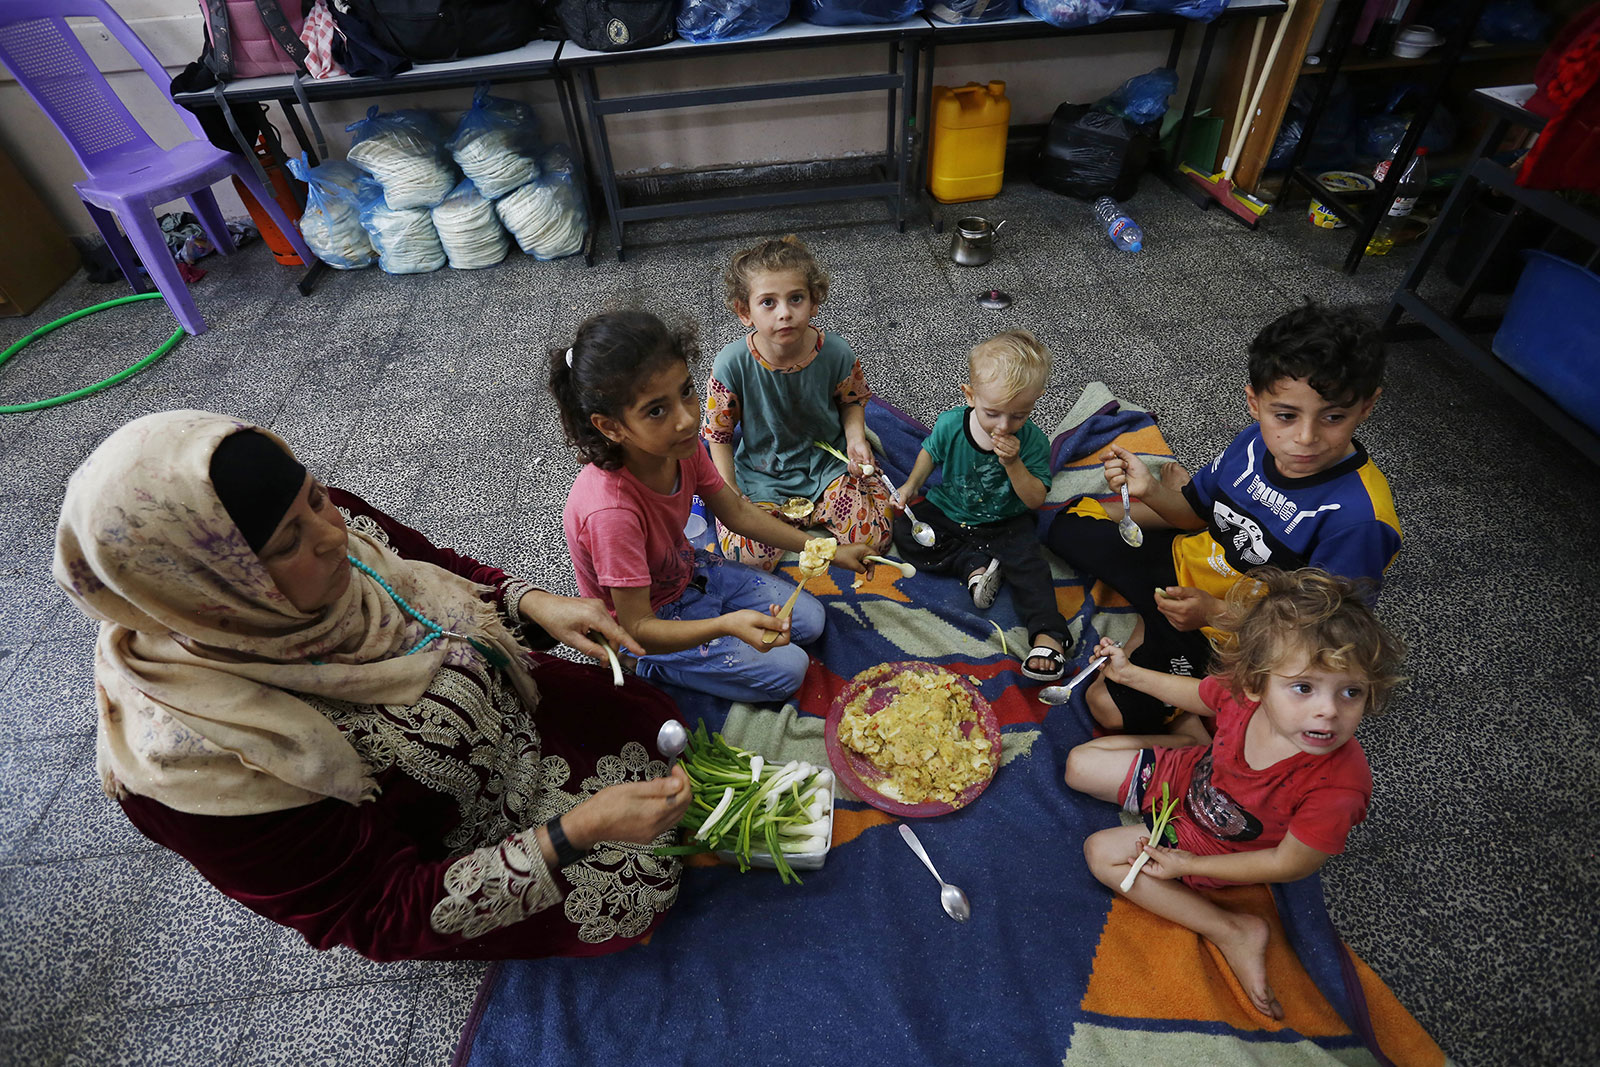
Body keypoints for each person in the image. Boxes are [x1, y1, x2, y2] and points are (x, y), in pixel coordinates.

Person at [52, 410, 694, 962]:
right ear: (206, 587)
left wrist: (530, 604)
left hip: (499, 717)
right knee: (633, 887)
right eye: (288, 543)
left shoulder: (320, 526)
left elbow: (434, 568)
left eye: (314, 498)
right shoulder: (200, 759)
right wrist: (570, 834)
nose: (336, 537)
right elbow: (374, 913)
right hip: (448, 848)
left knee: (647, 723)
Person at [1062, 567, 1406, 1019]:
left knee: (1100, 853)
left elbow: (1286, 864)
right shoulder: (1243, 698)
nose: (1328, 711)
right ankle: (1191, 743)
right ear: (1255, 684)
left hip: (1214, 841)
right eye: (1303, 687)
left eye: (1351, 692)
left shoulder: (1337, 786)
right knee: (1077, 766)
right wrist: (1129, 675)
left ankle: (1231, 929)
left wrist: (1193, 864)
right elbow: (1201, 697)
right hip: (1191, 776)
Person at [1045, 302, 1401, 734]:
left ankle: (1193, 707)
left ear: (1367, 407)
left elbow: (1320, 638)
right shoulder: (1252, 443)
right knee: (1063, 523)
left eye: (1334, 417)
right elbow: (1196, 514)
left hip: (1237, 636)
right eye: (1286, 416)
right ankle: (1154, 629)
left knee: (1109, 708)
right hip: (1181, 567)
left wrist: (1214, 613)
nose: (1304, 438)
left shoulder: (1360, 521)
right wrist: (1152, 491)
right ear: (1254, 402)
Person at [553, 308, 870, 704]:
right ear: (611, 426)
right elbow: (637, 623)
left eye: (686, 392)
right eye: (656, 410)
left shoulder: (680, 449)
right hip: (644, 627)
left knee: (811, 621)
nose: (687, 420)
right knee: (789, 671)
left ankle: (705, 621)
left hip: (687, 572)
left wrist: (828, 551)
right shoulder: (611, 515)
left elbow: (735, 512)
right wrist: (726, 625)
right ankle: (645, 665)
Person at [701, 235, 893, 570]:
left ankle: (804, 519)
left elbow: (852, 400)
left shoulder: (837, 353)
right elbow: (718, 435)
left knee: (874, 539)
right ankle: (787, 523)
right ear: (745, 312)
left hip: (827, 466)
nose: (785, 313)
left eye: (796, 299)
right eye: (768, 303)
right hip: (762, 474)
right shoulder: (730, 365)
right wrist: (729, 492)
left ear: (814, 302)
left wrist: (856, 439)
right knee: (746, 557)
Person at [893, 330, 1071, 681]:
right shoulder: (951, 425)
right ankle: (973, 566)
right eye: (993, 413)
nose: (1004, 426)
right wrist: (911, 485)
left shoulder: (1032, 442)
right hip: (951, 508)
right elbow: (931, 452)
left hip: (1006, 520)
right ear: (970, 396)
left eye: (1019, 416)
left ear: (1035, 403)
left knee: (1031, 567)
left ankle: (1049, 634)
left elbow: (1035, 499)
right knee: (907, 530)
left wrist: (1014, 464)